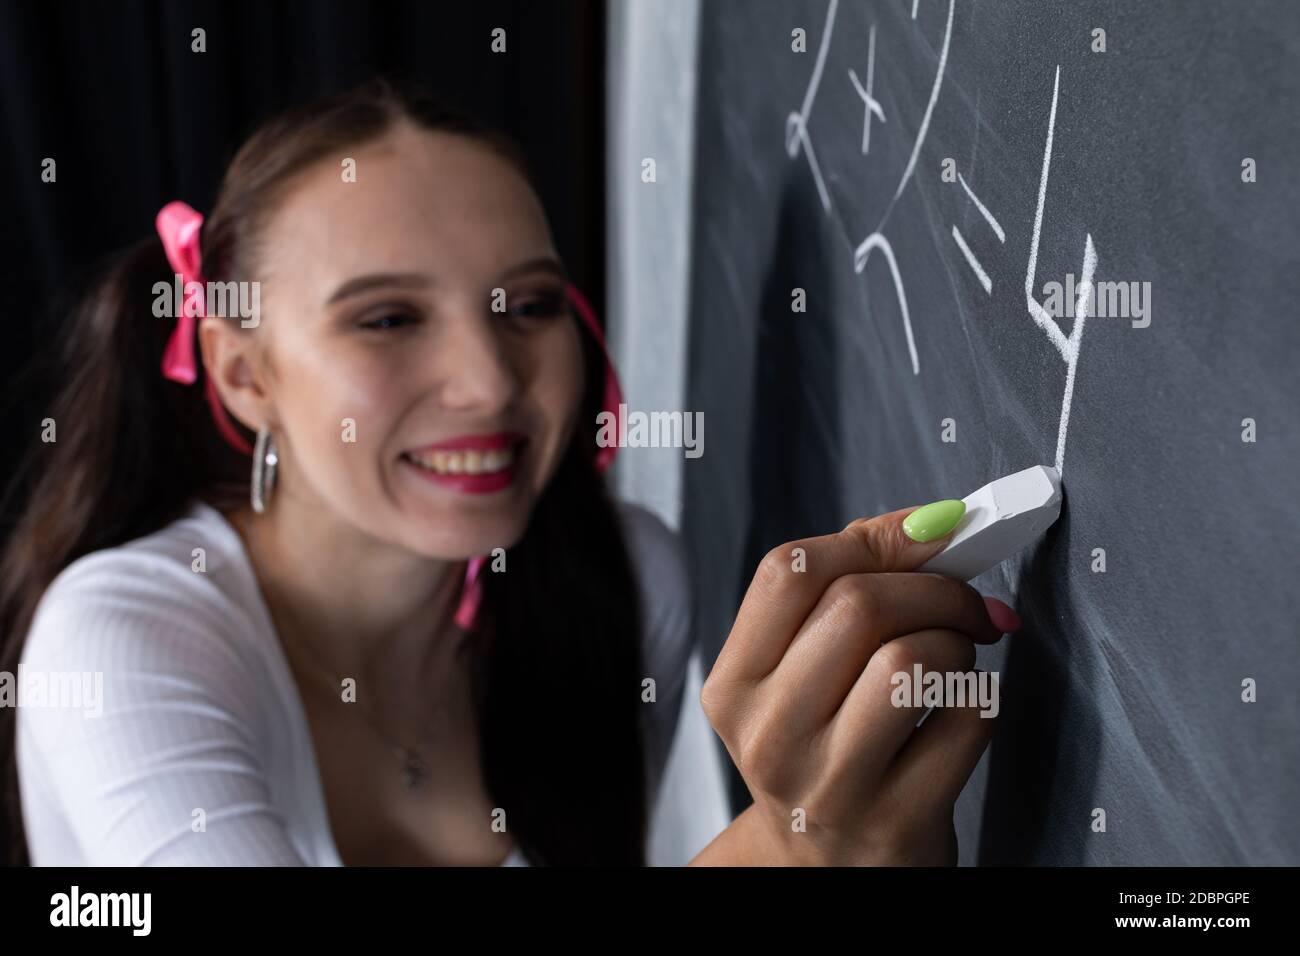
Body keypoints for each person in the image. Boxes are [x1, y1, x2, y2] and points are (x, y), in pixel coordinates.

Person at [0, 77, 1017, 867]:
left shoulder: (624, 580)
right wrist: (789, 843)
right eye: (389, 317)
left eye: (527, 305)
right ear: (242, 372)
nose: (488, 383)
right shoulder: (126, 639)